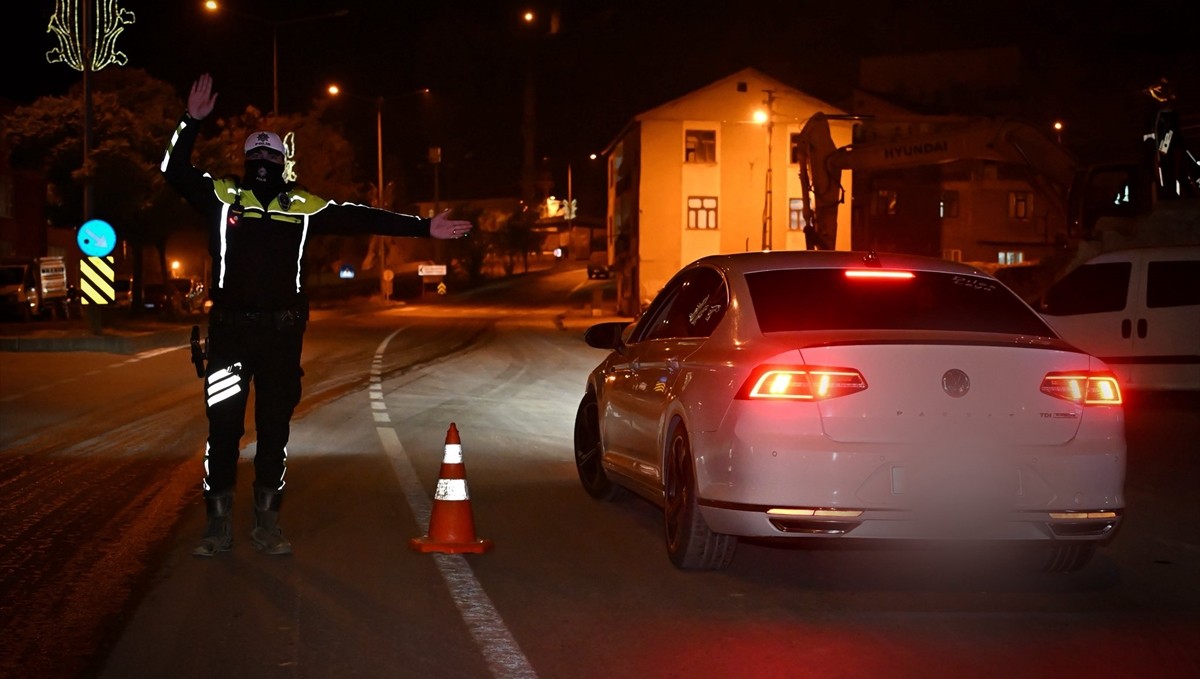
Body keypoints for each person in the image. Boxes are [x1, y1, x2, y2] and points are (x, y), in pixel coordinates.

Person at [162, 73, 473, 557]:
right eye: (256, 156)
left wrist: (423, 226)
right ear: (245, 162)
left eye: (271, 157)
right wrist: (190, 121)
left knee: (275, 431)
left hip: (281, 339)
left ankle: (267, 524)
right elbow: (173, 169)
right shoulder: (222, 196)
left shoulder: (302, 204)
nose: (263, 163)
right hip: (229, 337)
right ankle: (217, 527)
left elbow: (363, 215)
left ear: (283, 163)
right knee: (222, 432)